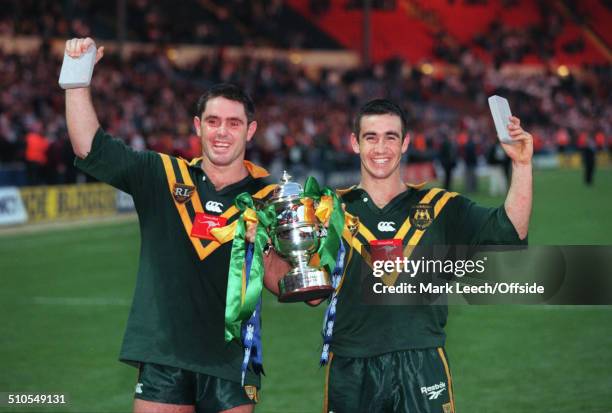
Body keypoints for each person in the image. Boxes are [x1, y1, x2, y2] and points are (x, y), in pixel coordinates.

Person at [64, 37, 280, 413]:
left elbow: (288, 285)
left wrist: (263, 245)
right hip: (163, 355)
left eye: (234, 123)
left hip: (233, 362)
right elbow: (89, 147)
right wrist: (76, 78)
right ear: (198, 126)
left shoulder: (271, 197)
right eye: (213, 121)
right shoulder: (161, 175)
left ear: (251, 130)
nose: (222, 132)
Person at [321, 99, 532, 413]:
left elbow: (510, 233)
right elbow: (305, 286)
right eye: (371, 137)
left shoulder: (440, 207)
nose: (381, 147)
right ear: (355, 143)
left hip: (421, 361)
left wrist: (522, 165)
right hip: (351, 365)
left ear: (405, 143)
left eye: (391, 137)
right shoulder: (329, 210)